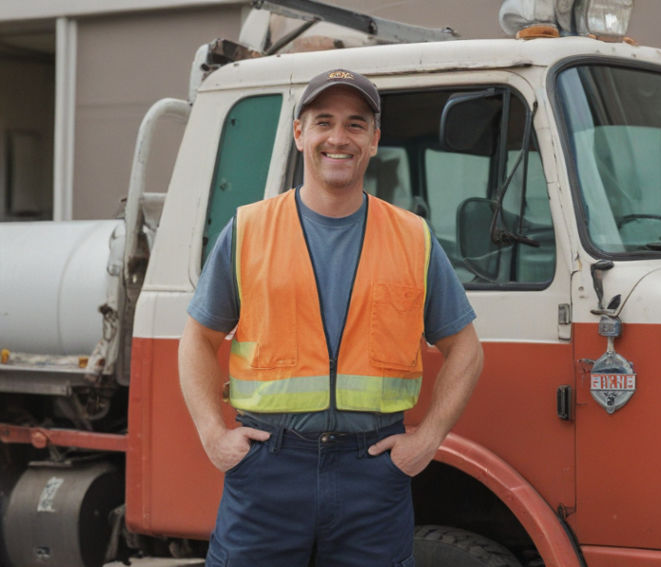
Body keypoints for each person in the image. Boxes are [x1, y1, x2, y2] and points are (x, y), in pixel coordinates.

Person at [178, 68, 483, 567]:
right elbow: (196, 338)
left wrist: (426, 441)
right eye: (324, 122)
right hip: (269, 471)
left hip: (372, 474)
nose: (338, 138)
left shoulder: (414, 239)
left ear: (375, 140)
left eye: (356, 124)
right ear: (300, 134)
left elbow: (466, 349)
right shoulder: (248, 230)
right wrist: (213, 435)